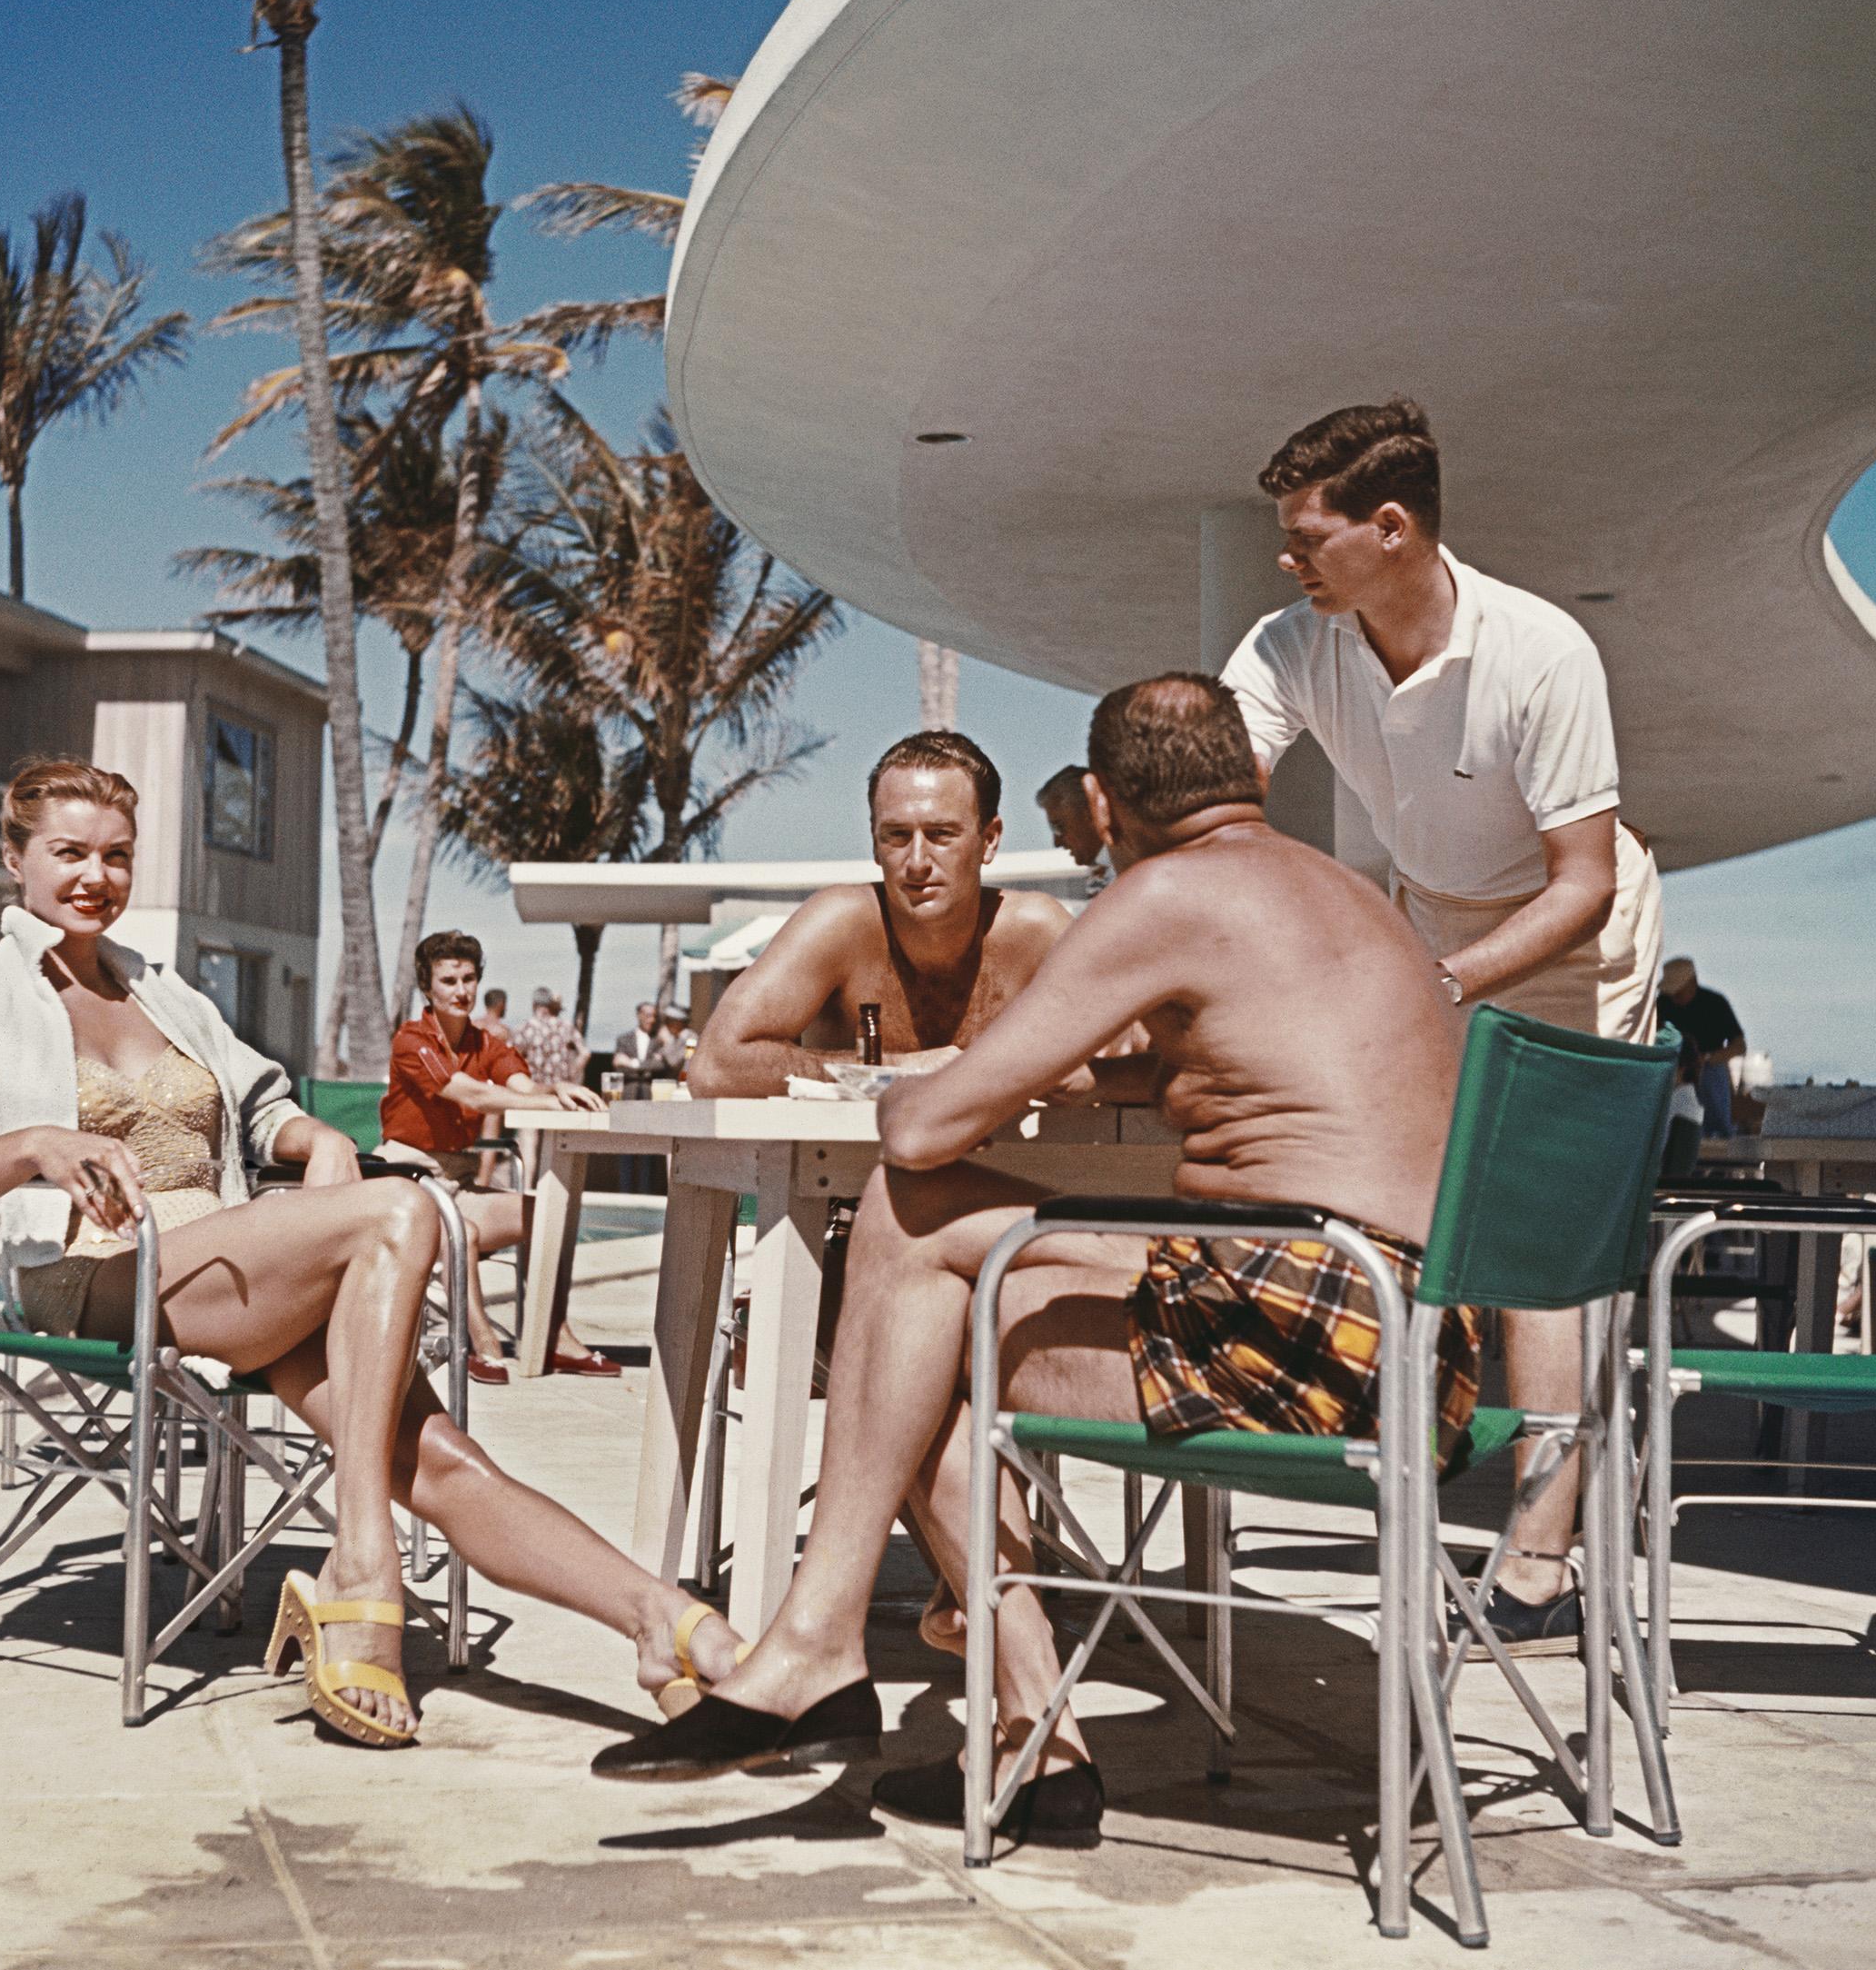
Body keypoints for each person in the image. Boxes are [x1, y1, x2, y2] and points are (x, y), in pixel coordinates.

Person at [592, 677, 1478, 1836]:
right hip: (1426, 1342)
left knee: (910, 1235)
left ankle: (820, 1644)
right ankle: (1034, 1739)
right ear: (1253, 780)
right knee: (914, 1348)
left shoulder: (1160, 897)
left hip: (1301, 1347)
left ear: (1101, 808)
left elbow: (917, 1132)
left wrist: (956, 1070)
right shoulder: (1349, 896)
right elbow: (1227, 1074)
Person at [0, 758, 739, 1751]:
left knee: (446, 1460)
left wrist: (314, 1141)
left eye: (116, 857)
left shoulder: (162, 994)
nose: (95, 878)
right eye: (68, 854)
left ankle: (664, 1623)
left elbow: (262, 1109)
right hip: (99, 1275)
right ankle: (364, 1559)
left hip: (233, 1275)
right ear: (14, 857)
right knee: (401, 1210)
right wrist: (37, 1145)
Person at [1218, 396, 1663, 1654]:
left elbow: (1580, 882)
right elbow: (1215, 798)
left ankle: (1538, 1558)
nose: (1287, 559)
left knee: (1533, 1236)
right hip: (1429, 916)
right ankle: (1408, 1448)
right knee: (1392, 1191)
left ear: (1392, 529)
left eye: (1308, 535)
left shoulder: (1542, 651)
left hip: (1575, 930)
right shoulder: (1294, 641)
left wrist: (1448, 982)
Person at [688, 731, 1073, 1097]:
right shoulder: (841, 923)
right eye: (897, 836)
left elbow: (1129, 1059)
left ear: (988, 840)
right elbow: (713, 1067)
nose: (917, 862)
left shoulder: (1034, 931)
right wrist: (903, 1069)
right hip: (850, 1164)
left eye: (941, 834)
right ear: (875, 843)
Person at [381, 932, 620, 1380]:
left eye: (469, 979)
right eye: (449, 980)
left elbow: (521, 1087)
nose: (461, 991)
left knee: (546, 1214)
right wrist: (547, 1101)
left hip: (457, 1179)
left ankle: (553, 1334)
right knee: (463, 1233)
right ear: (428, 988)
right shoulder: (412, 1040)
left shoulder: (486, 1043)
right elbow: (467, 1092)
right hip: (408, 1177)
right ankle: (478, 1340)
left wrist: (556, 1089)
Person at [1656, 958, 1745, 1138]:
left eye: (1679, 992)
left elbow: (1739, 1046)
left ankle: (1718, 1137)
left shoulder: (1715, 1003)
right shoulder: (1663, 1003)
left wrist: (1708, 1059)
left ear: (1693, 983)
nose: (1675, 997)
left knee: (1713, 1080)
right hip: (1673, 1068)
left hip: (1710, 1070)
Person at [1035, 765, 1110, 893]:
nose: (1057, 842)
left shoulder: (1129, 873)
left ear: (1091, 814)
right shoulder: (1103, 872)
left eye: (1059, 827)